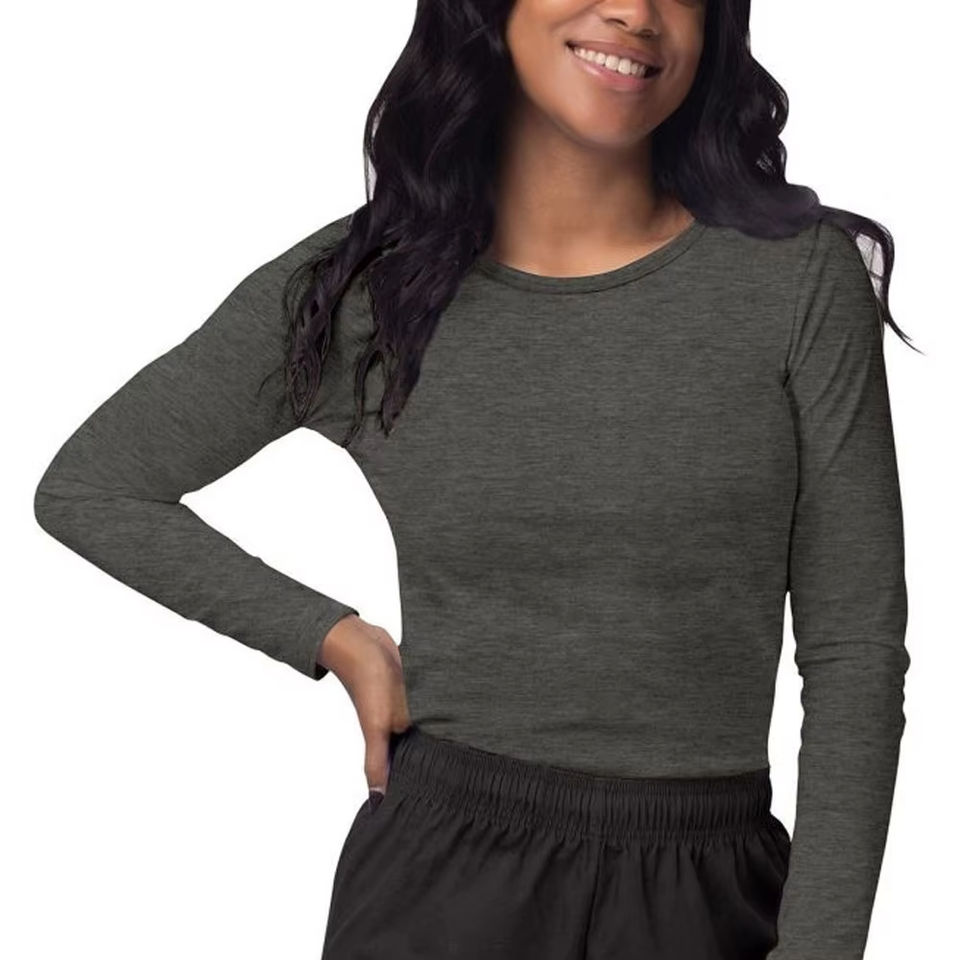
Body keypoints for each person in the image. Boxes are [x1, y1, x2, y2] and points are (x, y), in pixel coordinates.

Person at [33, 1, 913, 958]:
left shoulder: (797, 283)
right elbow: (94, 487)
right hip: (441, 883)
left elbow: (855, 654)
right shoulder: (369, 290)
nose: (636, 10)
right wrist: (336, 638)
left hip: (708, 894)